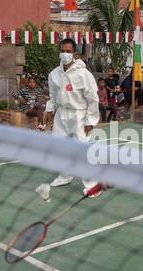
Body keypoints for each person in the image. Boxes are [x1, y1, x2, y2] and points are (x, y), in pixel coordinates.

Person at [45, 38, 101, 196]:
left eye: (68, 51)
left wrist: (91, 120)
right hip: (61, 114)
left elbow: (93, 99)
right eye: (62, 50)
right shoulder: (54, 74)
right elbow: (53, 96)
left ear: (74, 53)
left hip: (78, 114)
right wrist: (49, 110)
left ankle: (92, 185)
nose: (65, 54)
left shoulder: (84, 74)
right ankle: (65, 175)